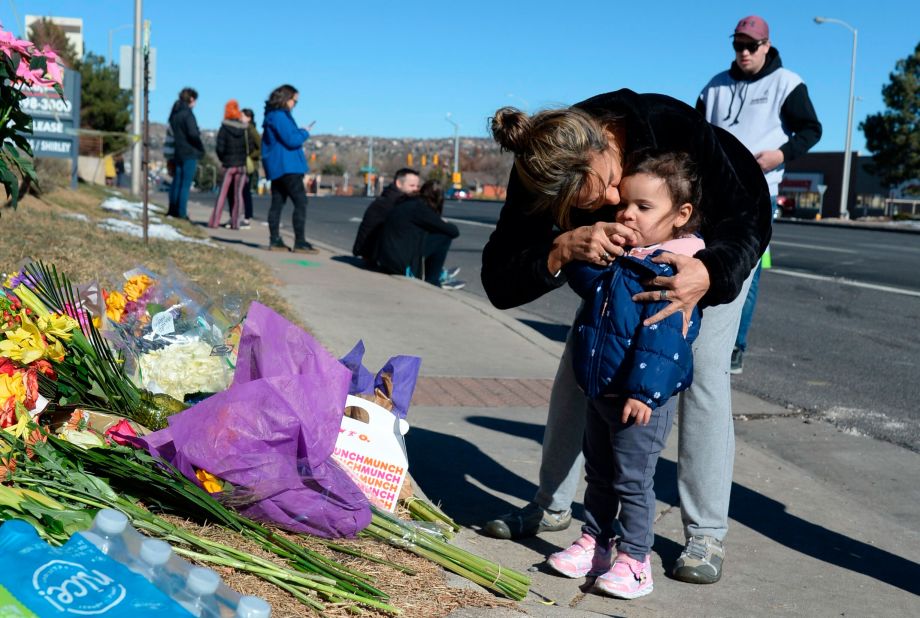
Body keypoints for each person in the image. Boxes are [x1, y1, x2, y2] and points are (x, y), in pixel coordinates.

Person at [481, 89, 771, 587]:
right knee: (584, 360)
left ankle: (704, 533)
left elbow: (748, 216)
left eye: (611, 182)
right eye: (589, 205)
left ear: (605, 144)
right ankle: (550, 506)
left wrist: (709, 272)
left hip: (712, 245)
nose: (614, 203)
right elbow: (499, 280)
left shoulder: (666, 124)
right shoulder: (539, 168)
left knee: (698, 369)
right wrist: (559, 248)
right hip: (626, 270)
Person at [547, 151, 704, 599]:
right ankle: (595, 543)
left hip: (640, 400)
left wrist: (644, 392)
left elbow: (666, 340)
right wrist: (579, 249)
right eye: (625, 205)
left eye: (643, 207)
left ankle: (635, 560)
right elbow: (588, 287)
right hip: (602, 390)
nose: (628, 213)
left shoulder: (671, 268)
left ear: (681, 216)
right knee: (598, 472)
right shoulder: (629, 255)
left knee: (632, 480)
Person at [697, 15, 822, 374]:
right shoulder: (714, 87)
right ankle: (699, 336)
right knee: (702, 260)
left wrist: (780, 154)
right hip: (713, 192)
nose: (744, 52)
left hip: (757, 194)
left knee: (747, 271)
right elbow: (698, 131)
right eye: (738, 45)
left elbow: (811, 129)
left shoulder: (787, 84)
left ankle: (735, 346)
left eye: (751, 46)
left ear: (766, 46)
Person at [375, 180, 465, 290]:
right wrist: (443, 222)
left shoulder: (408, 203)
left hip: (387, 261)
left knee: (430, 233)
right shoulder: (420, 210)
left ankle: (438, 272)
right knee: (444, 236)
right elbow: (454, 231)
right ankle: (433, 280)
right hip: (400, 267)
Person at [261, 84, 316, 253]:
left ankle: (275, 239)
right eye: (294, 101)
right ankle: (299, 241)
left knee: (278, 202)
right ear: (286, 98)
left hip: (278, 166)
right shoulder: (279, 116)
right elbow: (291, 140)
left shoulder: (272, 116)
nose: (294, 104)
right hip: (288, 166)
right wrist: (305, 132)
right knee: (300, 202)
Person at [352, 167, 421, 266]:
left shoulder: (392, 197)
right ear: (399, 183)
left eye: (417, 186)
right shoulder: (393, 202)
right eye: (412, 186)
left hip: (371, 251)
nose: (415, 189)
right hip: (374, 254)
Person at [208, 100, 248, 230]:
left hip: (229, 164)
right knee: (238, 195)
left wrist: (223, 159)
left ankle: (214, 221)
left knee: (222, 194)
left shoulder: (224, 128)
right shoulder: (244, 129)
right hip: (241, 165)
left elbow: (220, 148)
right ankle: (236, 223)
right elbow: (249, 146)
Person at [167, 87, 204, 220]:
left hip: (178, 152)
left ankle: (172, 209)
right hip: (189, 152)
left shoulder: (175, 114)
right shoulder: (188, 114)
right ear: (192, 99)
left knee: (177, 182)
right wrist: (200, 147)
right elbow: (193, 133)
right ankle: (181, 212)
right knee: (185, 184)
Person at [240, 107, 262, 228]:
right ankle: (241, 215)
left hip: (249, 164)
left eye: (242, 115)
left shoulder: (251, 130)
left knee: (245, 191)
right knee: (241, 190)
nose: (240, 118)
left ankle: (247, 216)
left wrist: (250, 156)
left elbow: (260, 147)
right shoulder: (243, 129)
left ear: (249, 118)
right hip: (242, 163)